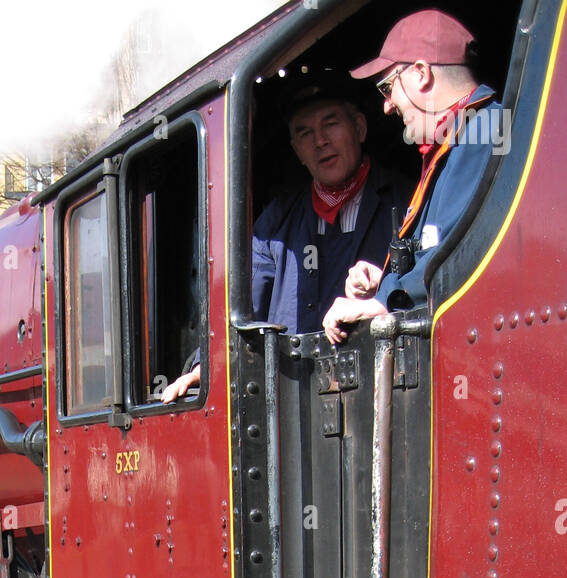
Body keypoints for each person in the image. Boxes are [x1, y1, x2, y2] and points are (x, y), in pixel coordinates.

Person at [162, 78, 409, 400]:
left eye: (330, 124)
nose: (320, 141)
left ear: (359, 128)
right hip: (299, 400)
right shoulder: (276, 219)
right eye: (305, 133)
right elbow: (244, 298)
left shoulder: (407, 201)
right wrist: (203, 368)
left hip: (382, 390)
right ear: (296, 151)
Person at [322, 9, 504, 344]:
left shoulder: (484, 130)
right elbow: (440, 246)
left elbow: (456, 254)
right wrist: (388, 280)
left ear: (421, 73)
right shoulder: (460, 136)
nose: (387, 106)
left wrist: (385, 300)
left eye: (388, 87)